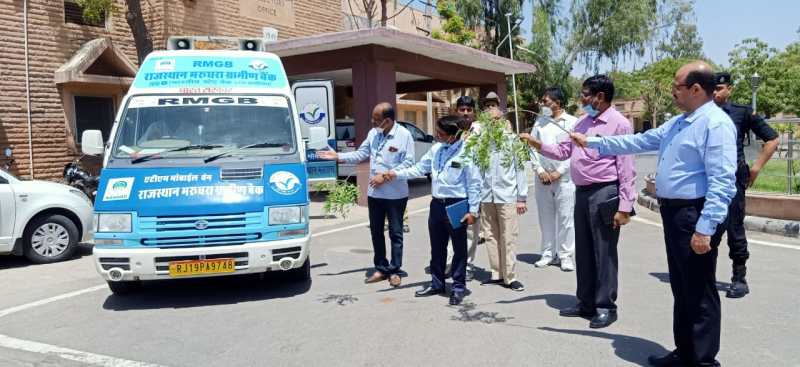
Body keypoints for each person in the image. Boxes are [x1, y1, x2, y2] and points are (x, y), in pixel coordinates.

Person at [571, 61, 737, 367]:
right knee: (681, 287)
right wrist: (593, 142)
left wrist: (705, 228)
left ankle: (703, 360)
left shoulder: (715, 124)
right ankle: (685, 352)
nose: (673, 92)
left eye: (677, 86)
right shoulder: (679, 122)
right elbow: (638, 141)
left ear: (696, 89)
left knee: (699, 291)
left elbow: (723, 181)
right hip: (675, 214)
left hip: (694, 215)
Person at [520, 75, 636, 329]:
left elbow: (626, 167)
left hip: (605, 193)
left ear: (600, 97)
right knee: (583, 250)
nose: (581, 99)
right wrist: (536, 143)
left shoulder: (619, 124)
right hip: (581, 192)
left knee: (603, 252)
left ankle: (605, 306)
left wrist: (625, 206)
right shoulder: (583, 122)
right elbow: (563, 151)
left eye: (585, 94)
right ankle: (585, 302)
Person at [378, 115, 481, 306]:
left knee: (459, 250)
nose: (437, 135)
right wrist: (395, 174)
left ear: (453, 135)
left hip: (457, 204)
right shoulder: (436, 150)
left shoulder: (467, 152)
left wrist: (473, 211)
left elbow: (474, 183)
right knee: (437, 247)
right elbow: (418, 168)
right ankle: (437, 283)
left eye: (441, 133)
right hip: (437, 205)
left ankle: (458, 287)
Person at [317, 102, 415, 288]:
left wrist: (385, 177)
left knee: (396, 233)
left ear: (387, 120)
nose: (372, 122)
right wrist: (338, 156)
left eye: (376, 120)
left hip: (396, 195)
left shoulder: (404, 135)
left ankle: (394, 270)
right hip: (375, 194)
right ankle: (381, 267)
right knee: (376, 232)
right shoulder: (373, 134)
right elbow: (362, 153)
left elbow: (409, 164)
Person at [713, 72, 779, 299]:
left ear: (729, 89)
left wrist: (757, 167)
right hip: (706, 179)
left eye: (719, 88)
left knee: (734, 228)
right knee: (707, 229)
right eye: (712, 88)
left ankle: (739, 277)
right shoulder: (700, 114)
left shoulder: (741, 112)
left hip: (733, 178)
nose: (715, 92)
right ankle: (702, 277)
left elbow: (772, 139)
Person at [475, 106, 528, 291]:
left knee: (509, 236)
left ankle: (510, 277)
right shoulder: (481, 142)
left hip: (507, 195)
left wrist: (522, 197)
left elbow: (520, 170)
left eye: (496, 120)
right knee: (490, 235)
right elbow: (478, 171)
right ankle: (496, 273)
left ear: (503, 120)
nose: (493, 124)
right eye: (489, 121)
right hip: (487, 196)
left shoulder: (513, 141)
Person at [529, 87, 579, 271]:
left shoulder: (573, 122)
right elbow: (531, 147)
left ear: (558, 103)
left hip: (564, 178)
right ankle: (548, 253)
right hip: (542, 178)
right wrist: (540, 170)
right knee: (546, 218)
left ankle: (565, 255)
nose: (543, 104)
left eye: (546, 101)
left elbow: (576, 151)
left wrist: (560, 171)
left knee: (566, 218)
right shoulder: (540, 122)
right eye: (543, 101)